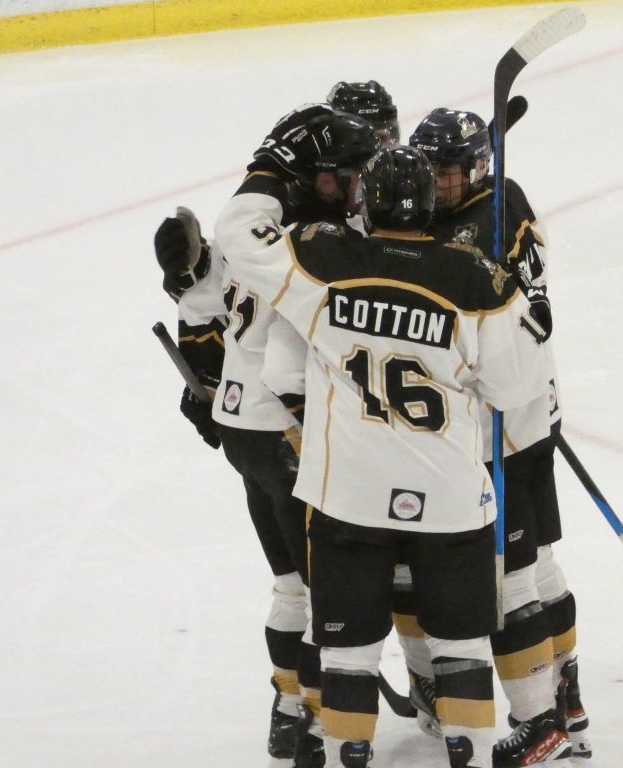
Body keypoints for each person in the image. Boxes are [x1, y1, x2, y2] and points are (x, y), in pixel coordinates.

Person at [214, 138, 550, 768]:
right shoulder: (475, 278)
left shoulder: (320, 259)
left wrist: (271, 165)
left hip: (350, 496)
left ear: (366, 203)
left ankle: (347, 751)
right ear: (430, 206)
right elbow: (516, 387)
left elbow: (239, 241)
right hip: (450, 501)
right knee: (462, 649)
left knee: (348, 653)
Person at [152, 103, 381, 764]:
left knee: (292, 585)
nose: (353, 187)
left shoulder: (262, 232)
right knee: (328, 590)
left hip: (244, 428)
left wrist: (205, 372)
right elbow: (288, 359)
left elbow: (203, 305)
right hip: (284, 431)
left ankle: (287, 711)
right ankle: (313, 722)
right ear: (307, 176)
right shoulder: (305, 241)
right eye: (341, 176)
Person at [407, 108, 591, 765]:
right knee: (537, 563)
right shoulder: (496, 199)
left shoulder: (484, 218)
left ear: (477, 168)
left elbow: (463, 289)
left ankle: (540, 721)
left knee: (511, 576)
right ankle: (566, 699)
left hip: (503, 421)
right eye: (430, 170)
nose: (437, 182)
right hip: (531, 404)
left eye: (449, 172)